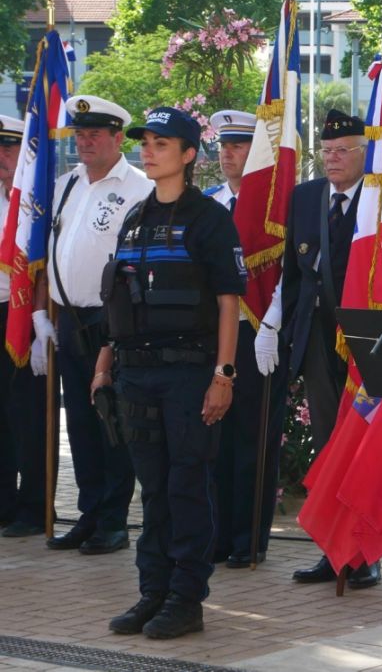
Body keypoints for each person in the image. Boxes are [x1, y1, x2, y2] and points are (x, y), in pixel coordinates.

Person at [94, 106, 246, 639]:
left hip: (189, 374)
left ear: (188, 155)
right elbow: (122, 300)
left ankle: (186, 599)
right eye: (146, 142)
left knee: (186, 485)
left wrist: (223, 374)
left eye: (161, 143)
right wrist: (105, 362)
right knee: (153, 489)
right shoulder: (135, 217)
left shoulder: (209, 218)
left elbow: (229, 301)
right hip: (136, 373)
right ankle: (152, 593)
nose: (148, 150)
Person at [35, 95, 152, 554]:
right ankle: (88, 513)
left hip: (113, 320)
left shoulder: (139, 188)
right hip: (70, 319)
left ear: (117, 138)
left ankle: (114, 520)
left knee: (111, 418)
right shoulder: (67, 185)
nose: (85, 142)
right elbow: (52, 252)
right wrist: (44, 312)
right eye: (80, 135)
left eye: (95, 135)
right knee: (80, 423)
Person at [280, 109, 380, 589]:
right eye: (327, 151)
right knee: (327, 441)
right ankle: (331, 550)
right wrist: (276, 331)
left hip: (366, 342)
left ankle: (363, 551)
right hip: (317, 338)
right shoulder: (305, 197)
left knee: (361, 447)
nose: (333, 159)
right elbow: (292, 274)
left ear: (366, 153)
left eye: (343, 151)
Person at [205, 109, 289, 568]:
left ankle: (248, 539)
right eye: (223, 147)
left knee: (252, 440)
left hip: (257, 333)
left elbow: (285, 273)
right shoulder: (210, 204)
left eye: (238, 146)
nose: (228, 155)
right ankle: (217, 535)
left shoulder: (274, 207)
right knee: (215, 437)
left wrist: (272, 325)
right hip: (215, 335)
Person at [0, 115, 47, 538]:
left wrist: (40, 319)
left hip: (23, 314)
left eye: (9, 148)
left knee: (27, 415)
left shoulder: (35, 199)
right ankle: (3, 504)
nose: (1, 157)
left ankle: (33, 508)